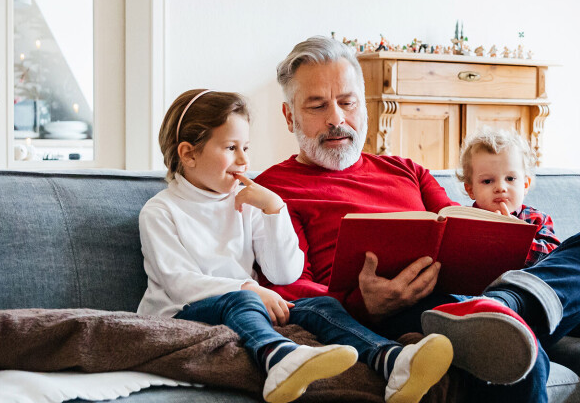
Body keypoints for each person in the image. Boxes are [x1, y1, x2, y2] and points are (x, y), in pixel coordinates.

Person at [254, 36, 580, 402]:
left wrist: (499, 233)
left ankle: (506, 305)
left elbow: (459, 226)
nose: (336, 118)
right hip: (402, 315)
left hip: (472, 296)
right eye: (317, 106)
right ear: (289, 116)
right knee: (523, 360)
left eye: (347, 102)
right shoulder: (271, 191)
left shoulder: (406, 170)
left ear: (365, 106)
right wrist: (362, 305)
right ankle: (517, 313)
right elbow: (290, 288)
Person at [137, 89, 453, 403]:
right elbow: (180, 284)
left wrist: (275, 210)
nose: (245, 160)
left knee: (323, 306)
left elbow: (285, 272)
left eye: (246, 147)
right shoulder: (161, 211)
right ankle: (279, 358)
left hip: (248, 305)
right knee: (241, 302)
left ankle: (391, 359)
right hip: (182, 313)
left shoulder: (248, 202)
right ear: (189, 154)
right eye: (231, 148)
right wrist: (248, 288)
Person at [453, 127, 580, 342]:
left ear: (526, 184)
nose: (500, 188)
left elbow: (552, 259)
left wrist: (517, 237)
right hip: (480, 296)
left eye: (510, 179)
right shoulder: (463, 221)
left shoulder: (535, 219)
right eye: (487, 181)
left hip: (536, 294)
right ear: (470, 189)